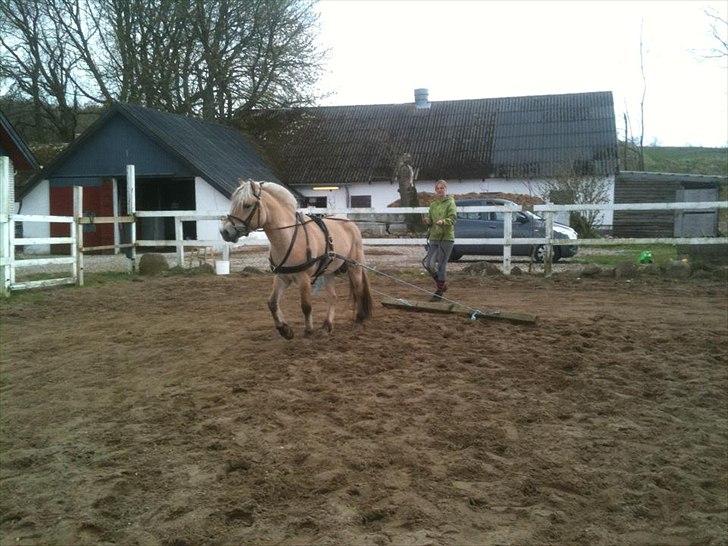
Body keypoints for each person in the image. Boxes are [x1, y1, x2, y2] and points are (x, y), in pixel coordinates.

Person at [422, 179, 457, 301]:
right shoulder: (433, 205)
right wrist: (428, 221)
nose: (440, 190)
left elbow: (452, 219)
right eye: (438, 188)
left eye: (442, 188)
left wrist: (444, 222)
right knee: (428, 264)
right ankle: (441, 284)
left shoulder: (450, 203)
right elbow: (430, 219)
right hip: (434, 237)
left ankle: (439, 291)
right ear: (435, 190)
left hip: (446, 238)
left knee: (441, 265)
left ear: (445, 189)